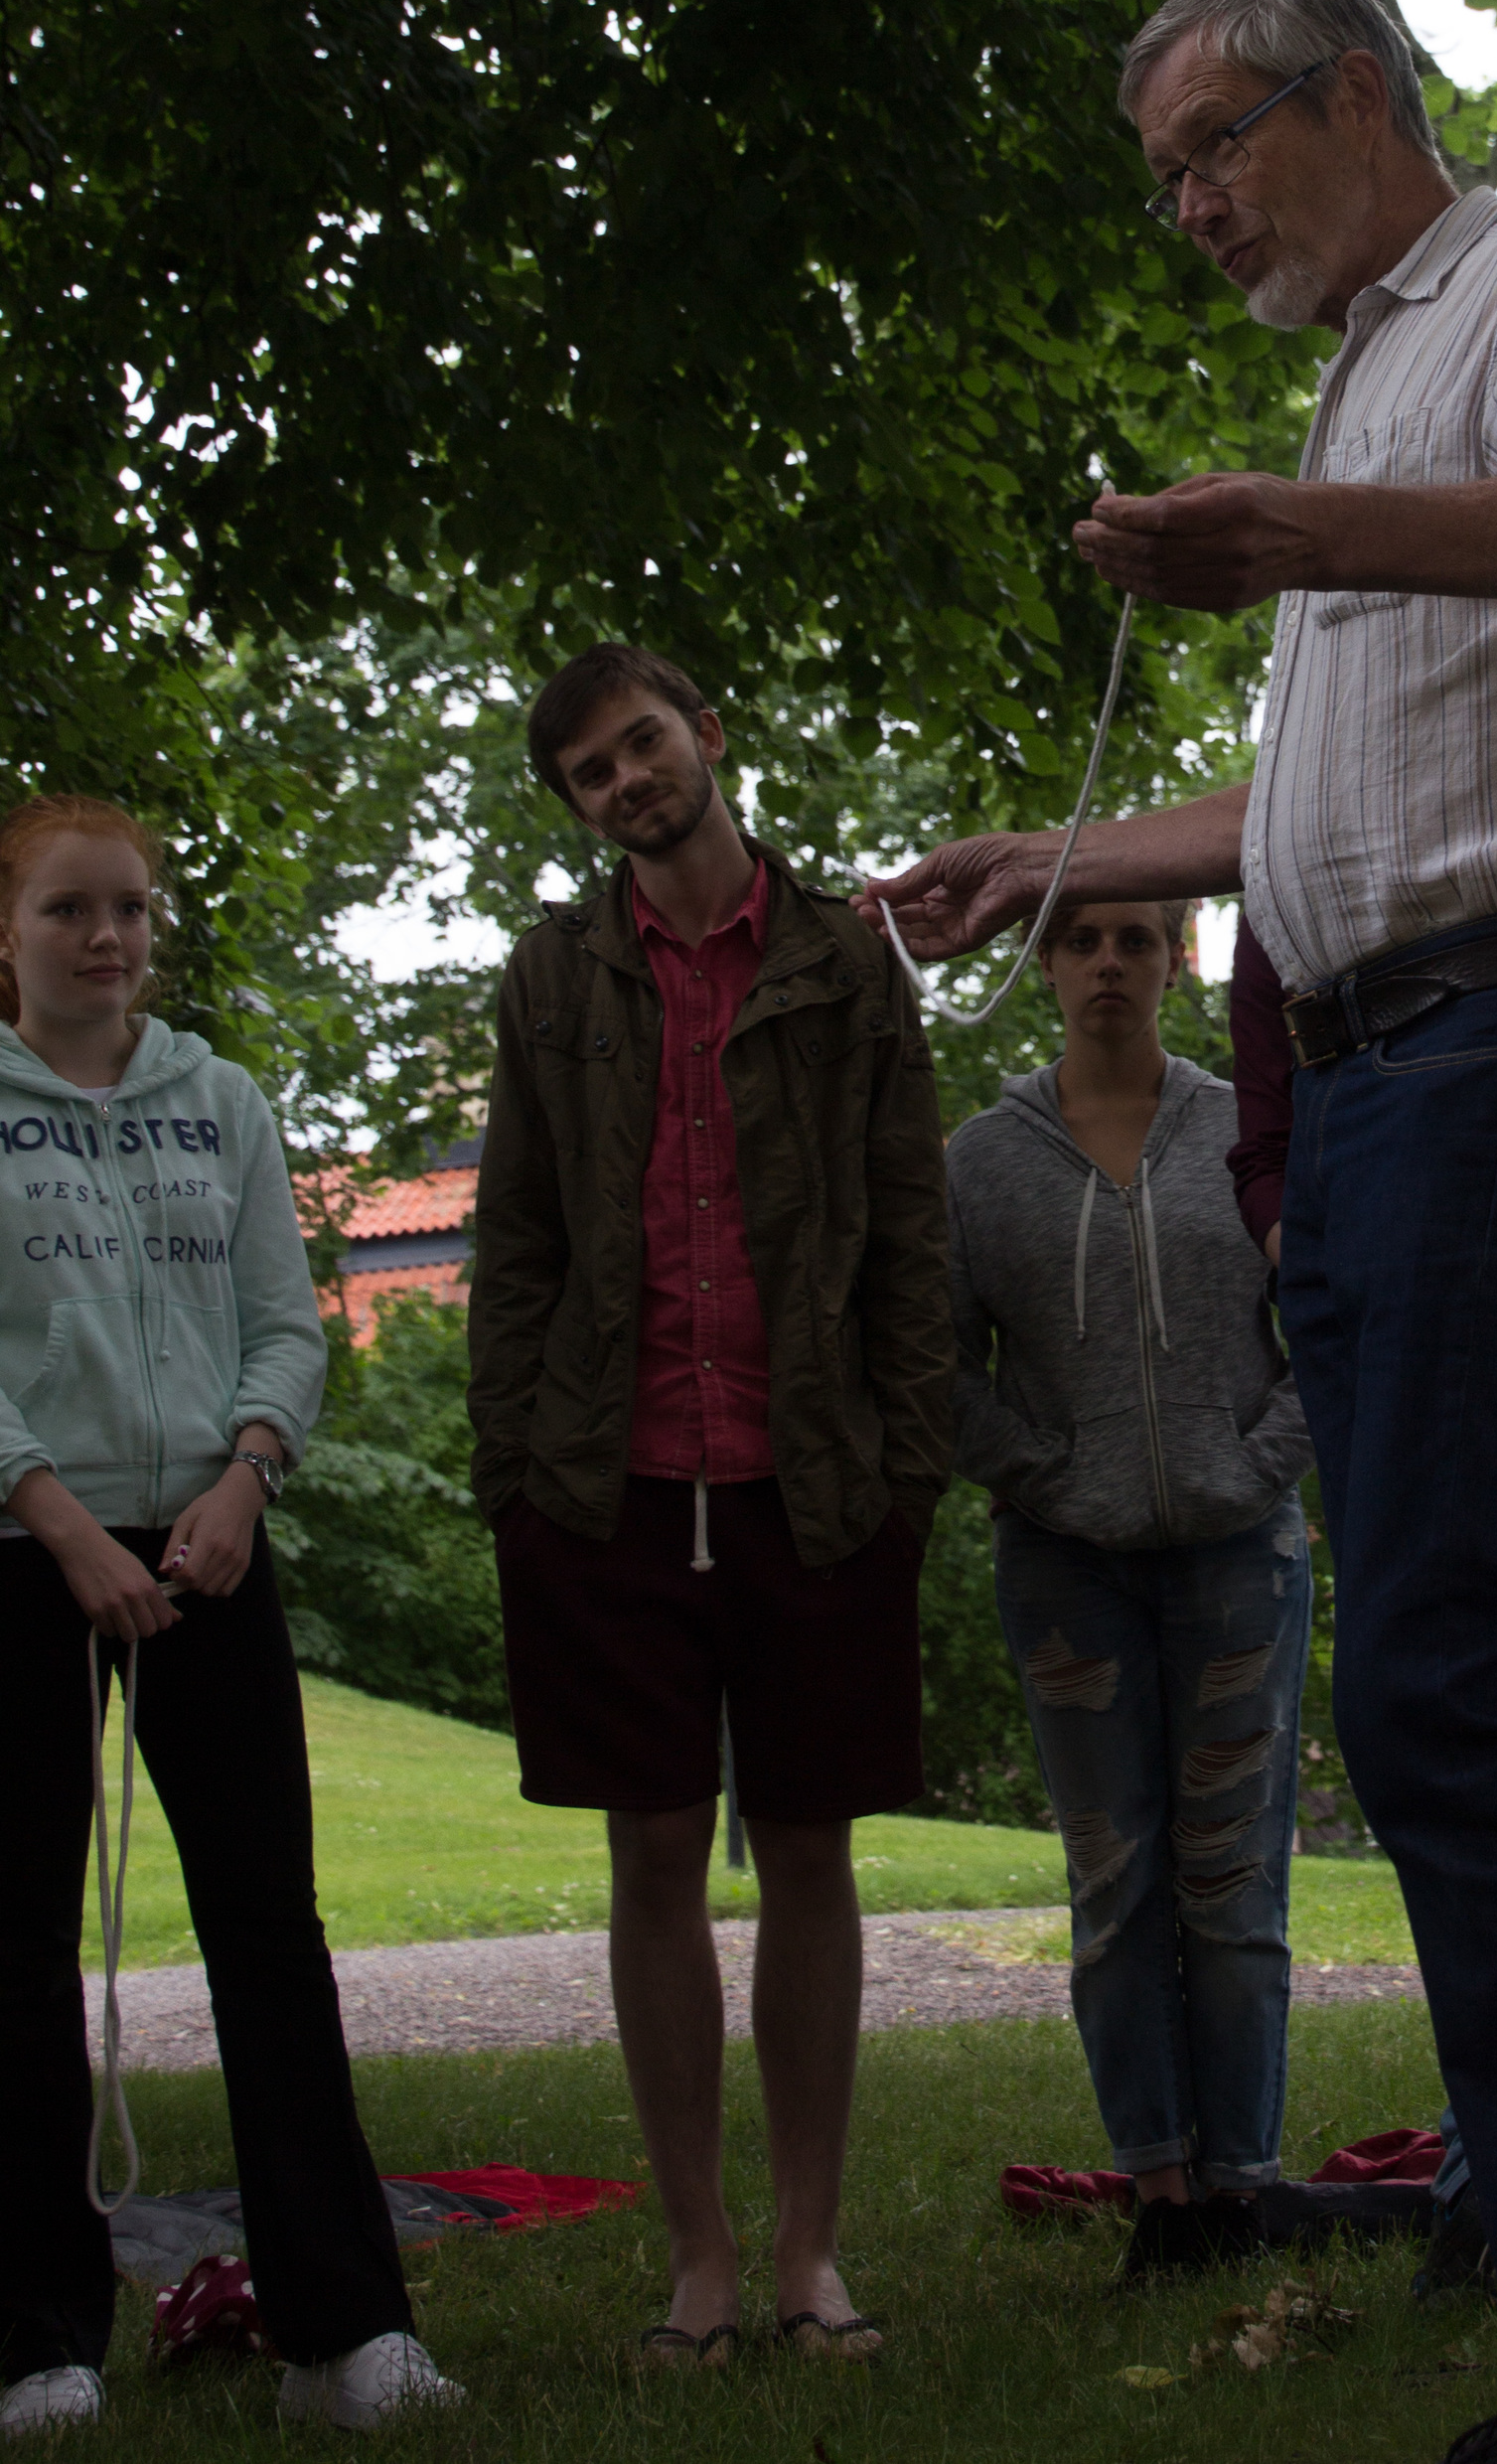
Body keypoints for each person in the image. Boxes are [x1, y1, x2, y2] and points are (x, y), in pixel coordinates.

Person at [865, 0, 1497, 2464]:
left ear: (1355, 89)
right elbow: (1313, 820)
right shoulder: (1365, 385)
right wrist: (1049, 852)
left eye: (1209, 149)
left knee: (1451, 1699)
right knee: (1446, 1703)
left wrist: (1277, 536)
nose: (1184, 208)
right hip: (1376, 1075)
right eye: (1163, 175)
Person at [468, 647, 952, 2369]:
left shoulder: (843, 961)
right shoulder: (549, 978)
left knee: (811, 1846)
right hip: (606, 1479)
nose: (627, 783)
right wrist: (515, 1478)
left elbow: (912, 1230)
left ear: (707, 738)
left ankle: (812, 2250)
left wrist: (908, 1468)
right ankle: (701, 2257)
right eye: (591, 774)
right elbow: (513, 1242)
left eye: (642, 744)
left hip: (813, 1477)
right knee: (652, 1853)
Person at [0, 795, 459, 2438]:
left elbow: (286, 1320)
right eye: (69, 910)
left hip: (211, 1550)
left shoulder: (223, 1101)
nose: (108, 938)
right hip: (24, 1545)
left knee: (271, 1930)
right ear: (10, 931)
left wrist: (245, 1478)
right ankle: (37, 2343)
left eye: (129, 908)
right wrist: (55, 1519)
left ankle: (343, 2331)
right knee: (15, 1947)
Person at [1225, 911, 1497, 2295]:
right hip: (1382, 1336)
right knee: (1432, 1723)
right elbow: (1268, 1129)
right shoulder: (1296, 889)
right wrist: (1315, 1256)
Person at [948, 899, 1314, 2277]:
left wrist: (1255, 1465)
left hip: (1239, 1558)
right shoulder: (980, 1162)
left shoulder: (1252, 1134)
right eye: (1081, 938)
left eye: (1136, 936)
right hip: (1067, 1569)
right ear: (1042, 963)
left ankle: (1245, 2185)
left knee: (1236, 1882)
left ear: (1180, 958)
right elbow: (933, 1364)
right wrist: (1047, 1476)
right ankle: (1159, 2188)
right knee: (1116, 1882)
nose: (1108, 960)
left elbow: (1326, 1311)